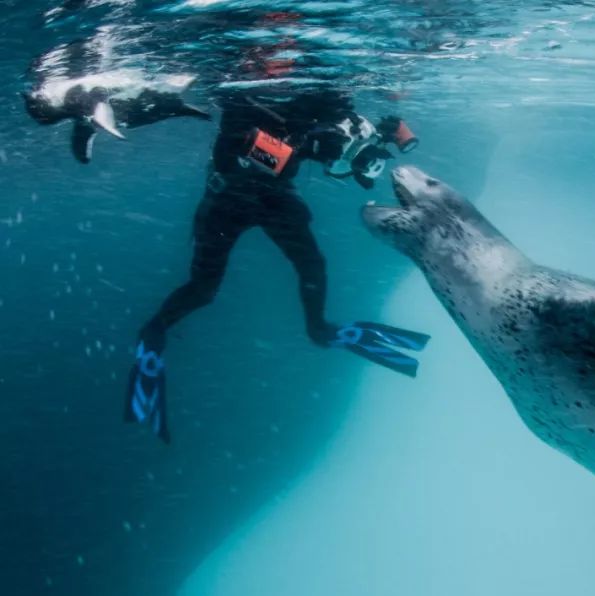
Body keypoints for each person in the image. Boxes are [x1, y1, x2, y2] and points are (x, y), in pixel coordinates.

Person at [124, 84, 429, 443]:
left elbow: (345, 165)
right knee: (204, 288)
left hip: (273, 196)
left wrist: (365, 148)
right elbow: (240, 143)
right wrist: (307, 147)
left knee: (312, 265)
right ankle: (154, 332)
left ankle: (320, 329)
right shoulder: (244, 95)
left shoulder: (321, 98)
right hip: (229, 194)